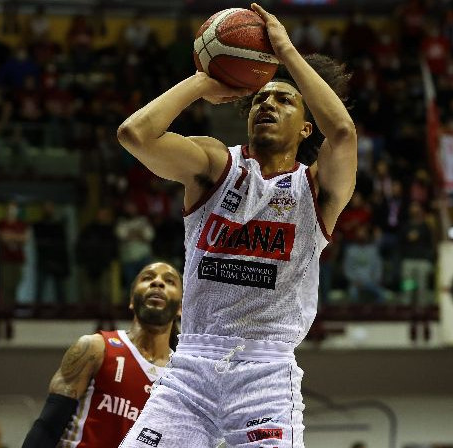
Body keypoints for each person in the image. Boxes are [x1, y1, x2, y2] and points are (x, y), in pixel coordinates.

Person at [115, 3, 356, 446]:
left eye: (284, 99)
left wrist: (284, 53)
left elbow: (341, 132)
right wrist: (204, 81)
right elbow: (135, 134)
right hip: (189, 369)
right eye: (260, 97)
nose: (267, 103)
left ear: (306, 127)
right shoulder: (215, 163)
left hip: (265, 373)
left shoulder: (317, 190)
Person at [22, 261, 182, 447]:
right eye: (147, 278)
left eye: (169, 281)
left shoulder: (180, 377)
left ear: (181, 307)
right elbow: (47, 427)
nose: (157, 283)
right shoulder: (95, 348)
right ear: (131, 299)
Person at [33, 201, 70, 310]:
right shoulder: (39, 226)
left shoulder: (58, 227)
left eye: (50, 207)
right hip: (44, 260)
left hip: (57, 260)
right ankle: (37, 310)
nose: (48, 209)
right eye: (46, 207)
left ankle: (63, 311)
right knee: (40, 288)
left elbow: (61, 246)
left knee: (60, 289)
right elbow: (40, 243)